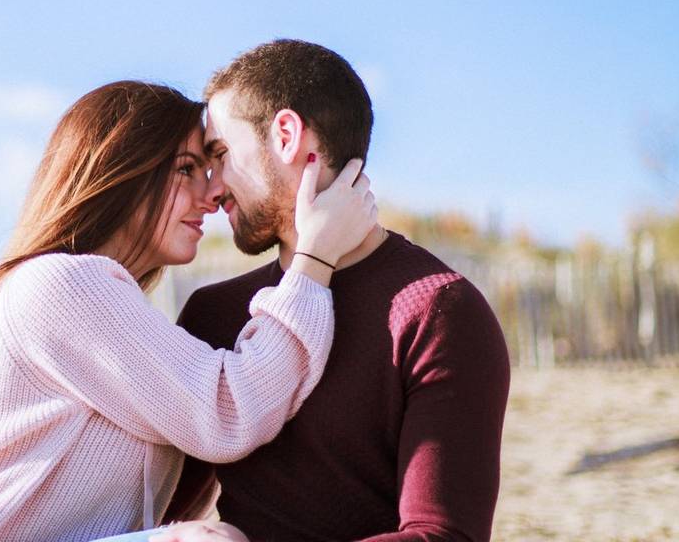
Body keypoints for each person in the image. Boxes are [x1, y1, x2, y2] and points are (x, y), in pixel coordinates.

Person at [0, 80, 379, 542]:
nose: (213, 192)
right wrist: (314, 259)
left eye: (210, 168)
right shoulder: (65, 284)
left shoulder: (98, 297)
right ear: (122, 172)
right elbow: (228, 411)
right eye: (186, 169)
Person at [162, 40, 512, 542]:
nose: (212, 189)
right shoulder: (213, 313)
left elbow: (443, 536)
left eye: (219, 154)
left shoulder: (439, 312)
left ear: (285, 134)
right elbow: (154, 509)